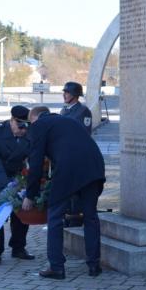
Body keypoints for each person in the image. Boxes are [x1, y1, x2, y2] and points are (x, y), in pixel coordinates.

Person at [22, 106, 105, 279]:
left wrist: (30, 194)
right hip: (94, 166)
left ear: (35, 118)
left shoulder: (39, 125)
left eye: (30, 123)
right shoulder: (68, 120)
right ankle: (94, 265)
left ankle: (56, 266)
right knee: (90, 216)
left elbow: (35, 162)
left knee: (54, 217)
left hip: (69, 170)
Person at [0, 105, 35, 265]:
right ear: (12, 121)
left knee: (21, 209)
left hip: (16, 174)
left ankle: (18, 247)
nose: (23, 131)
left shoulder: (29, 133)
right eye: (20, 126)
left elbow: (32, 156)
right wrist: (6, 185)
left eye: (26, 127)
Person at [58, 81, 91, 228]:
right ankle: (66, 215)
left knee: (76, 190)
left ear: (75, 95)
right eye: (64, 92)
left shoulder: (83, 111)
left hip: (77, 155)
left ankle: (76, 217)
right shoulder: (64, 110)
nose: (64, 95)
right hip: (64, 155)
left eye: (67, 92)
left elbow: (85, 134)